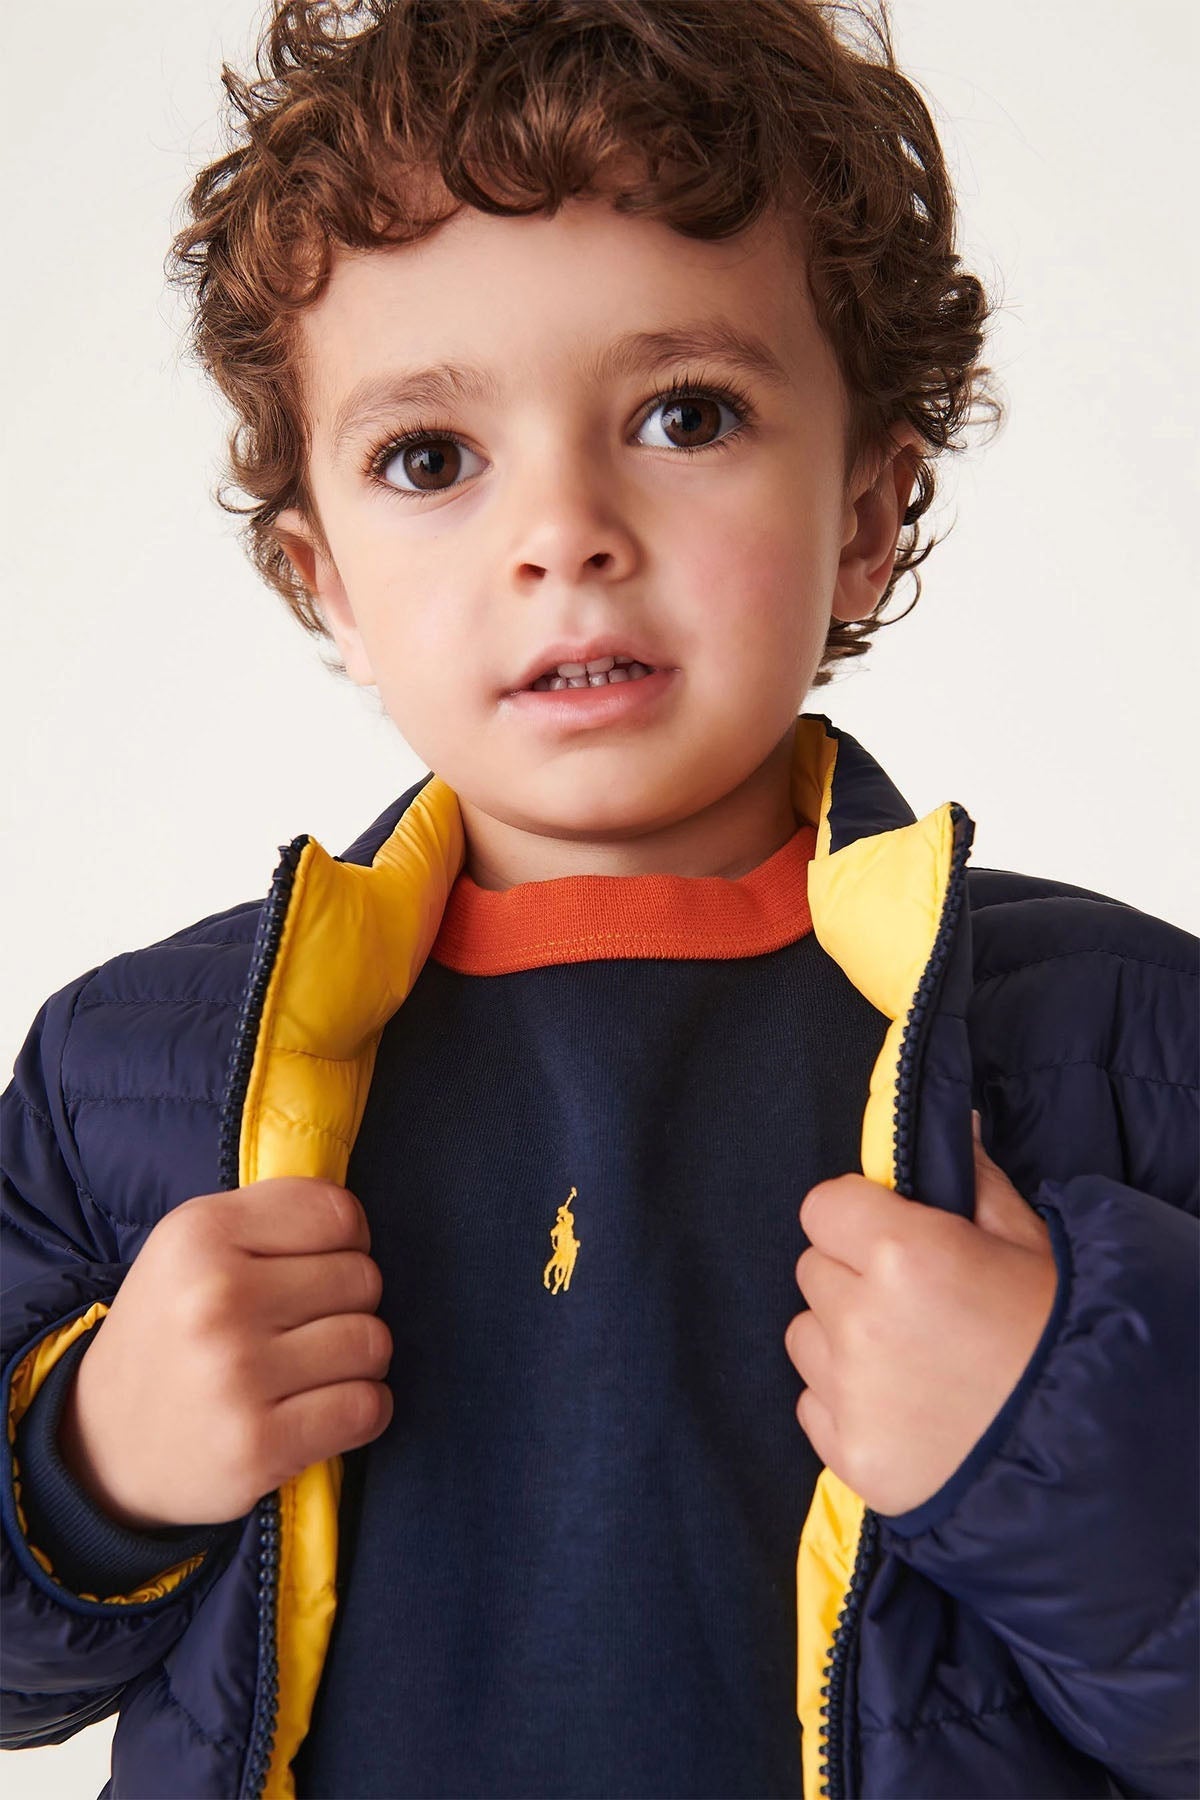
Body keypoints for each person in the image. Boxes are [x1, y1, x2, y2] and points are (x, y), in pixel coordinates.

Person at [1, 0, 1196, 1795]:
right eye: (430, 457)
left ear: (866, 509)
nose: (562, 531)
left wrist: (1061, 1443)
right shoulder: (129, 1077)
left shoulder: (1126, 1045)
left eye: (684, 414)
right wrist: (87, 1469)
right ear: (325, 581)